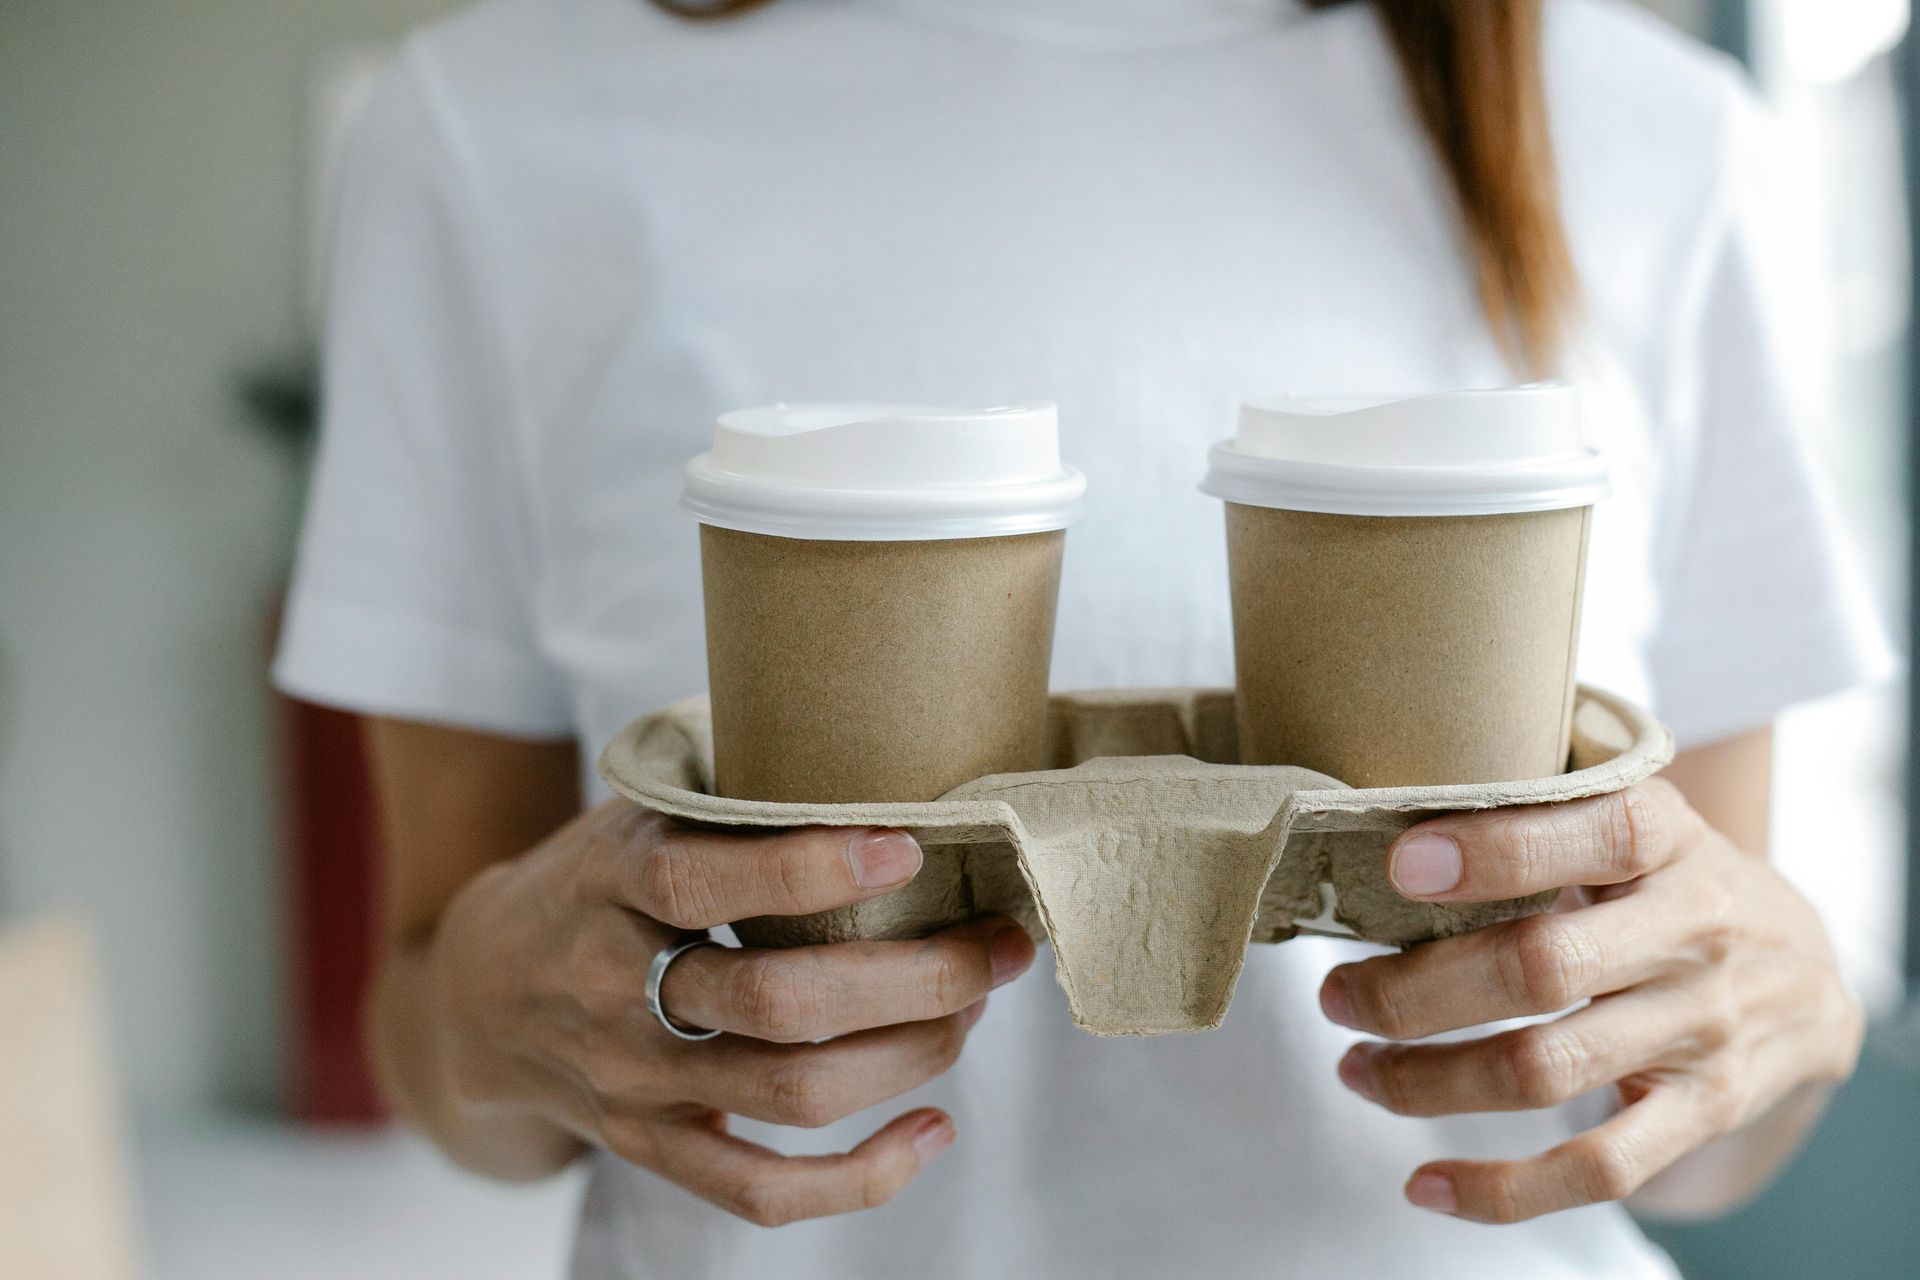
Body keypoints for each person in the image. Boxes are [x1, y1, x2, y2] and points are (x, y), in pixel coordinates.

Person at [273, 0, 1895, 1276]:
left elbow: (1701, 1125)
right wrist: (495, 1006)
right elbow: (435, 1045)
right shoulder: (498, 119)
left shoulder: (1653, 129)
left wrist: (1782, 1008)